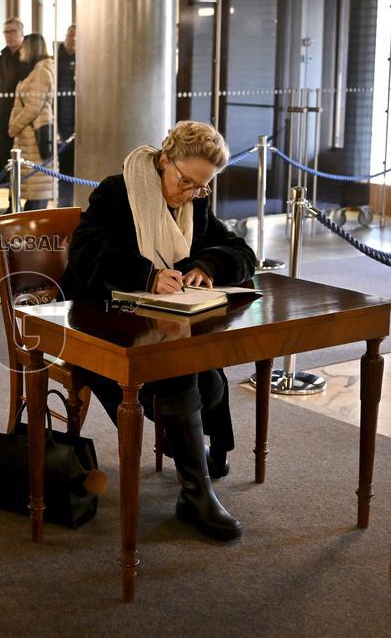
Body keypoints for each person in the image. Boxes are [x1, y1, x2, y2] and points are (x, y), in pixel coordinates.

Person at [61, 120, 256, 542]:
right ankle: (195, 493)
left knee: (201, 367)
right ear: (164, 160)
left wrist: (206, 267)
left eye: (200, 188)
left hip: (159, 320)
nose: (188, 194)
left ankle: (192, 456)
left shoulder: (195, 204)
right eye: (184, 181)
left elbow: (241, 252)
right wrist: (146, 276)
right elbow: (84, 256)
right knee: (181, 369)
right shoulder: (118, 191)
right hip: (100, 321)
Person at [8, 34, 54, 212]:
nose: (21, 50)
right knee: (34, 193)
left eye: (24, 47)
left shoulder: (41, 72)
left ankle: (33, 237)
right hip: (28, 139)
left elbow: (33, 107)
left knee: (37, 193)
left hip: (35, 138)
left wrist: (14, 127)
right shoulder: (35, 70)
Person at [0, 17, 31, 211]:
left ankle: (28, 202)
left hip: (23, 119)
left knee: (24, 164)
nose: (9, 35)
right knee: (8, 162)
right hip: (4, 118)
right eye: (6, 32)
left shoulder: (28, 56)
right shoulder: (1, 58)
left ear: (21, 32)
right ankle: (12, 203)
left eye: (13, 31)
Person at [55, 25, 76, 207]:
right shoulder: (55, 61)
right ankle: (64, 209)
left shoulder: (87, 59)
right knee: (65, 172)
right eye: (71, 36)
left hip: (82, 126)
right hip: (62, 125)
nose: (74, 40)